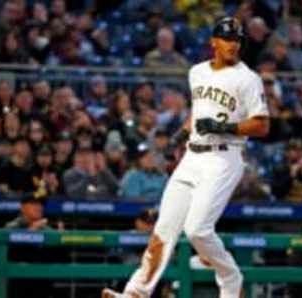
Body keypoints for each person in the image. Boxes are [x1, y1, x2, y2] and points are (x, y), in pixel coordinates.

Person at [102, 16, 270, 298]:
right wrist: (179, 137)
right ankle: (136, 292)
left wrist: (226, 127)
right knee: (163, 230)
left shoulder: (248, 78)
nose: (233, 44)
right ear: (213, 41)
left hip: (224, 157)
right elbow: (199, 111)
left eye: (238, 40)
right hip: (192, 156)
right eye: (228, 38)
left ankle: (231, 277)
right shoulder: (197, 72)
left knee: (197, 231)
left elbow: (263, 124)